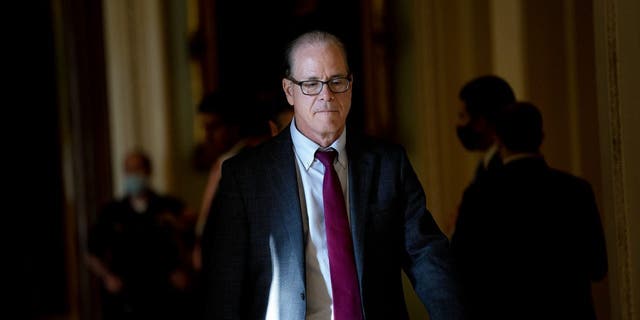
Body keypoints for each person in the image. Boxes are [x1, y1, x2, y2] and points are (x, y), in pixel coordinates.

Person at [200, 30, 463, 320]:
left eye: (337, 81)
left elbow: (425, 254)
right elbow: (225, 282)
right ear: (289, 91)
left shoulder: (388, 163)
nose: (326, 95)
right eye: (311, 84)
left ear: (351, 85)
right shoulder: (247, 175)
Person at [450, 102, 608, 319]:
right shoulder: (576, 190)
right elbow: (598, 267)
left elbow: (460, 268)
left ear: (498, 139)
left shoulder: (479, 195)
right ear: (541, 136)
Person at [87, 150, 194, 319]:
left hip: (165, 295)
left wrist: (185, 271)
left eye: (137, 169)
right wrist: (108, 277)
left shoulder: (169, 206)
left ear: (148, 171)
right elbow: (92, 251)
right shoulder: (112, 211)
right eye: (128, 170)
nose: (133, 175)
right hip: (125, 297)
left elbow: (193, 242)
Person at [456, 75, 516, 181]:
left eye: (462, 116)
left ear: (480, 121)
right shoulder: (487, 165)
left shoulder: (498, 169)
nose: (458, 123)